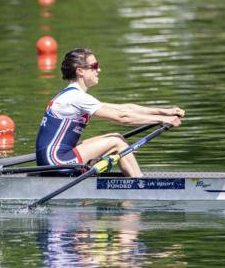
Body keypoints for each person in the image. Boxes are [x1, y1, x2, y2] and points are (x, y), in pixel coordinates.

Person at [35, 48, 184, 177]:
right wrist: (162, 120)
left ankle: (130, 180)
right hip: (57, 162)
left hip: (54, 159)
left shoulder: (73, 95)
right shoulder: (76, 97)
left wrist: (165, 112)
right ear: (80, 71)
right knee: (117, 142)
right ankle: (139, 183)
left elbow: (124, 109)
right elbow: (122, 117)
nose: (99, 70)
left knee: (116, 137)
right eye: (94, 66)